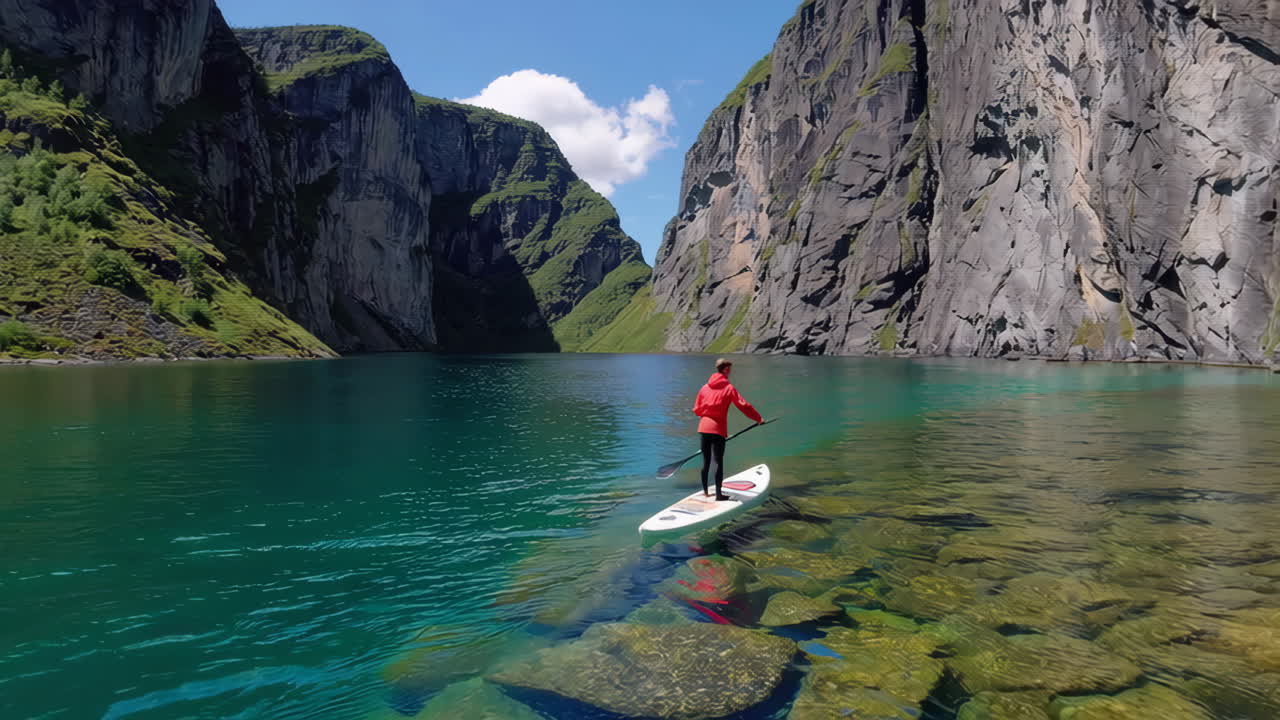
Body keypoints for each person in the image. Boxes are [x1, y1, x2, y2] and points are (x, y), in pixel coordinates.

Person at [692, 357, 763, 501]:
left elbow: (697, 409)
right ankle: (719, 495)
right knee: (718, 461)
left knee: (706, 461)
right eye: (729, 368)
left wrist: (707, 416)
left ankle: (705, 492)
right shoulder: (728, 388)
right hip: (717, 429)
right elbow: (743, 405)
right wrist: (758, 419)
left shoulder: (704, 387)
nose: (731, 371)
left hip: (703, 428)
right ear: (725, 369)